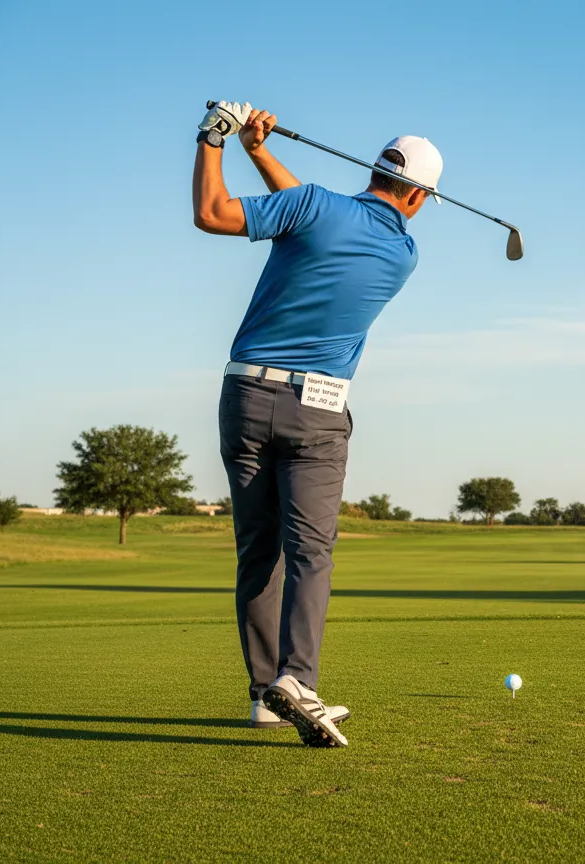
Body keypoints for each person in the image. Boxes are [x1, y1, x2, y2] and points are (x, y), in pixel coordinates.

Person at [191, 101, 442, 747]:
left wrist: (218, 139)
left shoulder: (314, 208)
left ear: (375, 171)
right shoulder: (402, 253)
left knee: (259, 554)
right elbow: (315, 210)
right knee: (311, 553)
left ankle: (265, 698)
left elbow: (218, 213)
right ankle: (296, 678)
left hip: (243, 394)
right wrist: (257, 152)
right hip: (318, 412)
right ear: (416, 197)